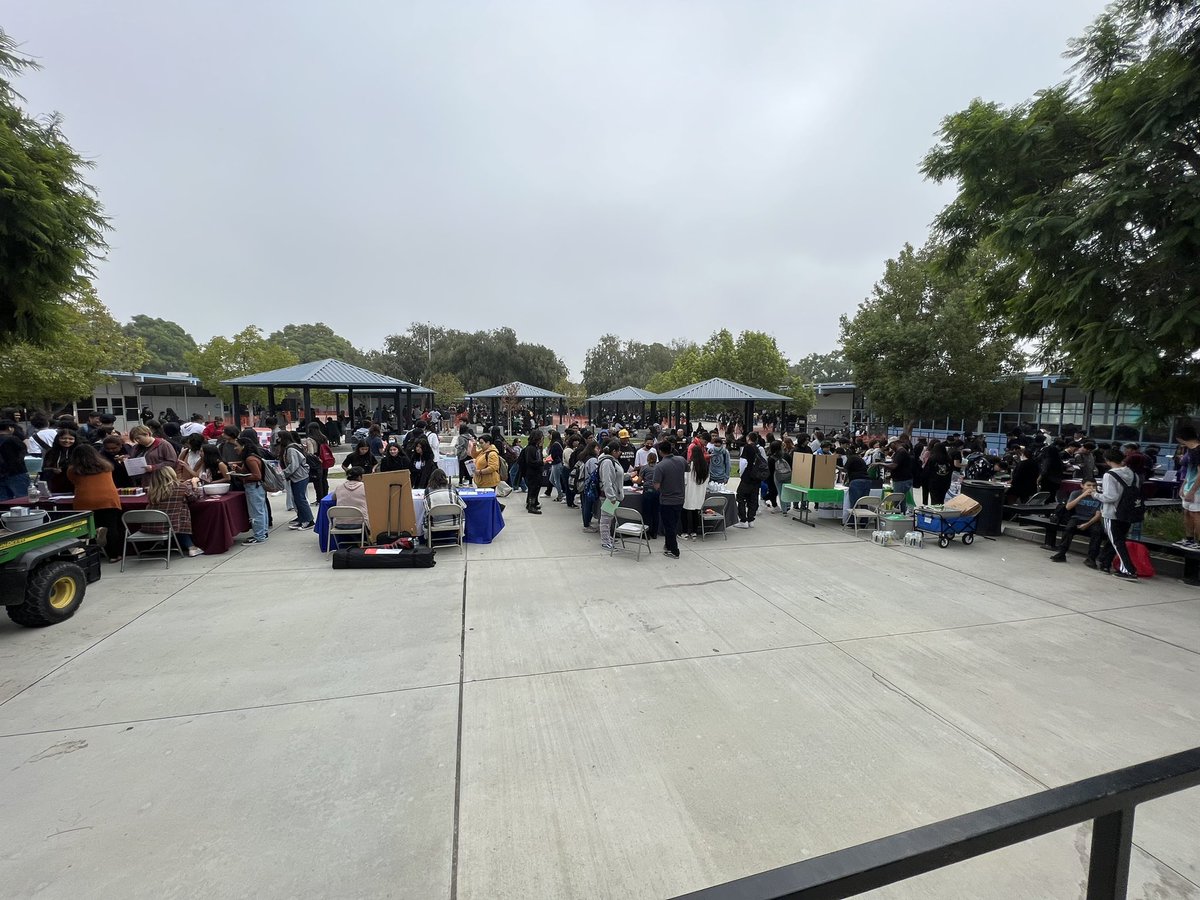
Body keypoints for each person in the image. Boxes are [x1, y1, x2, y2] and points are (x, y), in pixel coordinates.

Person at [66, 443, 125, 561]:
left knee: (88, 528)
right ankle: (114, 555)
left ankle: (93, 552)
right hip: (108, 499)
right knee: (112, 527)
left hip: (85, 500)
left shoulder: (73, 470)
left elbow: (73, 482)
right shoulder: (106, 466)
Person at [1095, 449, 1142, 579]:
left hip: (1112, 513)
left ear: (1107, 460)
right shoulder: (1133, 474)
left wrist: (1095, 494)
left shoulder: (1109, 475)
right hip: (1128, 512)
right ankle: (1105, 562)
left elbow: (1110, 497)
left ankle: (1128, 570)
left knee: (1117, 542)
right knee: (1118, 540)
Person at [143, 466, 205, 557]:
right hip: (174, 525)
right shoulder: (181, 488)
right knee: (180, 514)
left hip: (152, 525)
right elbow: (194, 498)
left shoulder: (152, 491)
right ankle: (191, 547)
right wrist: (194, 484)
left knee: (173, 517)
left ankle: (160, 544)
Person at [1050, 478, 1104, 565]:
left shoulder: (1099, 496)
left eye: (1094, 486)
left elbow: (1098, 515)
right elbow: (1068, 507)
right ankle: (1061, 553)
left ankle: (1091, 558)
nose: (1092, 488)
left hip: (1092, 520)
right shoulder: (1075, 493)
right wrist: (1082, 496)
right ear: (1082, 486)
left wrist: (1087, 524)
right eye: (1088, 485)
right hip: (1077, 517)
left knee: (1097, 532)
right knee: (1069, 528)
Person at [232, 435, 269, 544]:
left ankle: (259, 536)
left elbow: (256, 475)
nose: (235, 448)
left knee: (256, 512)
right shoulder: (252, 457)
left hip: (254, 487)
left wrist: (241, 476)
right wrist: (238, 470)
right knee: (261, 510)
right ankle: (262, 532)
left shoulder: (250, 459)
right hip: (256, 487)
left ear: (243, 446)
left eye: (236, 446)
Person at [654, 441, 686, 558]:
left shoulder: (660, 466)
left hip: (667, 500)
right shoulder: (681, 460)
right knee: (673, 523)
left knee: (669, 526)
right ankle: (668, 545)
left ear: (660, 452)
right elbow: (687, 470)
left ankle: (674, 550)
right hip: (680, 498)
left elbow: (656, 485)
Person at [278, 432, 314, 530]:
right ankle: (302, 519)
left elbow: (293, 465)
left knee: (300, 499)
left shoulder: (291, 449)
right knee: (297, 499)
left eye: (279, 438)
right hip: (298, 476)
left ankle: (309, 520)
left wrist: (282, 474)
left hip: (300, 477)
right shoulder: (292, 447)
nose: (278, 440)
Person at [597, 441, 625, 551]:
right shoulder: (607, 462)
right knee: (606, 519)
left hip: (613, 495)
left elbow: (615, 477)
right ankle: (605, 541)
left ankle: (607, 538)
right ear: (614, 451)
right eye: (619, 451)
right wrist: (611, 496)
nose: (620, 453)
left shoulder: (612, 461)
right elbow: (606, 481)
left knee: (609, 519)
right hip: (609, 496)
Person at [1175, 426, 1200, 548]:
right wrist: (1184, 485)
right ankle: (1189, 539)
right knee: (1187, 512)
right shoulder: (1190, 450)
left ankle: (1198, 542)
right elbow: (1190, 471)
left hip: (1197, 489)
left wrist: (1192, 491)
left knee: (1196, 514)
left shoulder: (1198, 450)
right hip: (1189, 485)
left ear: (1181, 438)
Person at [424, 468, 465, 538]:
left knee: (425, 514)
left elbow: (427, 508)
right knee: (462, 511)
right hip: (454, 522)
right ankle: (461, 534)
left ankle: (427, 537)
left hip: (435, 523)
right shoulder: (452, 488)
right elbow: (462, 505)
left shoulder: (428, 490)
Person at [735, 433, 765, 528]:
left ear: (748, 438)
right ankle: (751, 519)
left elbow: (743, 462)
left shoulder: (747, 447)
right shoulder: (757, 448)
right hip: (756, 477)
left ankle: (743, 520)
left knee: (740, 497)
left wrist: (741, 474)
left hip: (747, 476)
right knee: (753, 498)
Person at [681, 447, 710, 540]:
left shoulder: (690, 466)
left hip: (689, 493)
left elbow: (684, 480)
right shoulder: (705, 466)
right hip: (699, 494)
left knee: (685, 512)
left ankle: (684, 532)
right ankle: (694, 532)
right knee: (695, 513)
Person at [39, 428, 78, 494]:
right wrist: (52, 470)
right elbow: (44, 468)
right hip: (56, 484)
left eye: (71, 439)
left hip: (74, 484)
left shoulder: (78, 452)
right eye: (63, 438)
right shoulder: (51, 452)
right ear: (58, 439)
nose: (67, 441)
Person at [882, 437, 915, 513]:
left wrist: (881, 464)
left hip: (902, 480)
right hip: (901, 479)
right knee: (901, 500)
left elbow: (894, 465)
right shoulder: (898, 452)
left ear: (895, 443)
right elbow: (900, 466)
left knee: (897, 499)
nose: (890, 448)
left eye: (890, 445)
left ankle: (898, 516)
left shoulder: (901, 452)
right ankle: (901, 515)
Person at [0, 419, 29, 500]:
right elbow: (23, 450)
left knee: (3, 501)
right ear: (10, 428)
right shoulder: (13, 439)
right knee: (23, 498)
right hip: (17, 472)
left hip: (1, 474)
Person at [522, 430, 545, 514]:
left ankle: (533, 503)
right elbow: (530, 462)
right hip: (532, 473)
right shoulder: (530, 448)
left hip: (536, 472)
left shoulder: (536, 448)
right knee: (533, 489)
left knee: (535, 489)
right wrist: (542, 462)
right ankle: (531, 506)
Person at [640, 450, 660, 539]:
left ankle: (646, 534)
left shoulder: (644, 468)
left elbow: (639, 480)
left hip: (647, 490)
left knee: (646, 513)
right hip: (657, 490)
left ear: (647, 459)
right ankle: (654, 533)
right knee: (655, 512)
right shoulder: (659, 467)